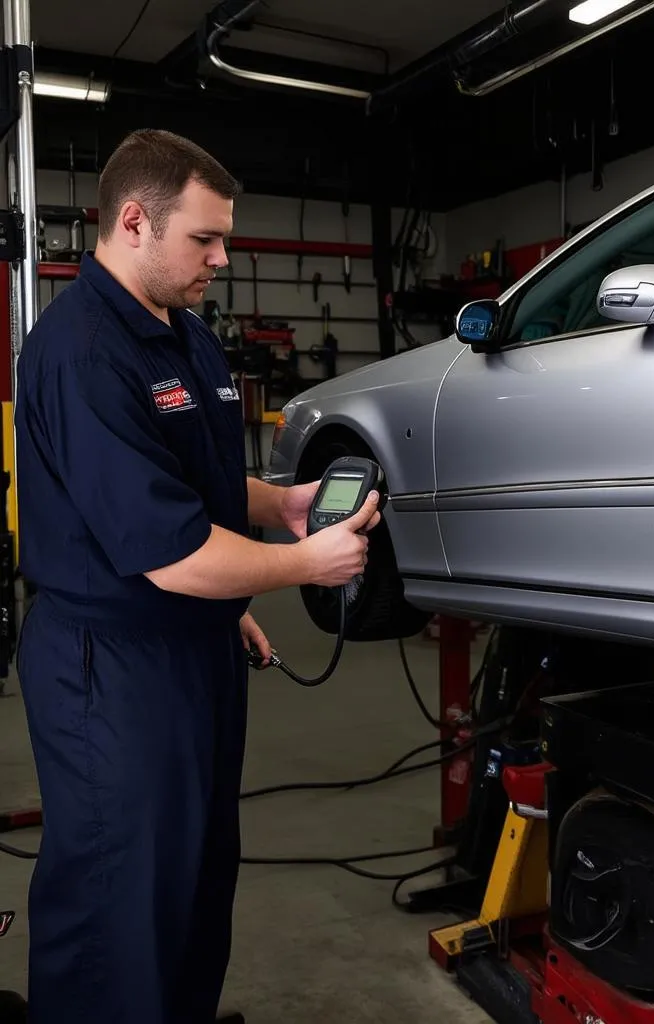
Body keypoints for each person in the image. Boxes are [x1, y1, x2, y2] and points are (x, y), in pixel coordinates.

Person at [13, 129, 380, 1024]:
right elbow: (171, 550)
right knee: (120, 905)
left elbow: (195, 485)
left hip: (186, 644)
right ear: (134, 222)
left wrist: (280, 508)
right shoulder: (83, 353)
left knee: (191, 889)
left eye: (224, 238)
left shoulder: (184, 333)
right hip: (113, 670)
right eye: (205, 239)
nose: (223, 257)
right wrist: (305, 563)